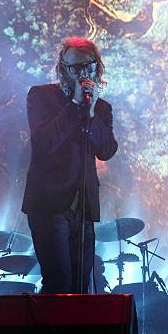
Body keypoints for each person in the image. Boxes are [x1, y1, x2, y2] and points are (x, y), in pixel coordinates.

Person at [22, 37, 118, 294]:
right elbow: (43, 143)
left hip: (83, 206)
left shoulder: (101, 108)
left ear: (96, 66)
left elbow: (107, 150)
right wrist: (75, 105)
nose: (81, 73)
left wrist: (90, 112)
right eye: (74, 67)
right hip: (49, 204)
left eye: (87, 66)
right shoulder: (41, 97)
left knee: (79, 284)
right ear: (62, 67)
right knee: (59, 281)